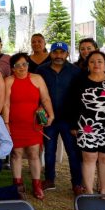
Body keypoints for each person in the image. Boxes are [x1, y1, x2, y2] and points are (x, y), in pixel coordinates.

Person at [69, 50, 105, 195]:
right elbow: (71, 104)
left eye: (99, 61)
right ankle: (89, 192)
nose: (96, 64)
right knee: (88, 158)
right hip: (86, 125)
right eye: (92, 61)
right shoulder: (79, 81)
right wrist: (73, 125)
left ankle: (104, 190)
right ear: (88, 65)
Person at [36, 42, 84, 195]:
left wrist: (77, 120)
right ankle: (49, 180)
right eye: (55, 52)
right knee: (49, 151)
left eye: (61, 52)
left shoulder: (75, 71)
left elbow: (80, 96)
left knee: (73, 152)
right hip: (49, 119)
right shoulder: (41, 70)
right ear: (50, 54)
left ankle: (77, 183)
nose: (58, 55)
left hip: (69, 120)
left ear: (67, 54)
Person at [4, 52, 54, 200]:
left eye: (24, 64)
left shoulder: (37, 79)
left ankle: (37, 185)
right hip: (15, 124)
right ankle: (17, 185)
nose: (21, 68)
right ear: (12, 68)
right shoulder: (8, 81)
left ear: (28, 64)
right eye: (17, 65)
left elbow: (45, 98)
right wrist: (6, 123)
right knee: (16, 154)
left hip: (33, 125)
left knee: (34, 153)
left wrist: (51, 115)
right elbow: (6, 104)